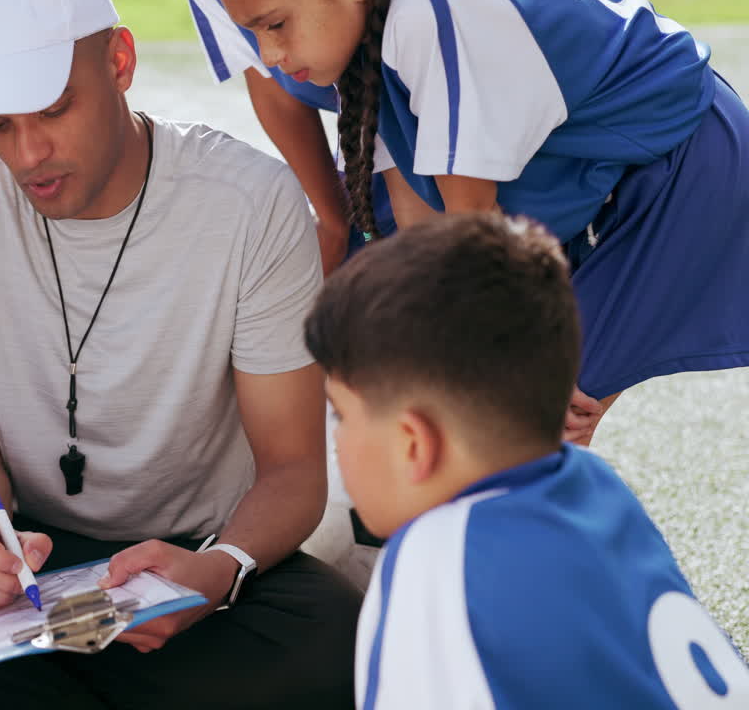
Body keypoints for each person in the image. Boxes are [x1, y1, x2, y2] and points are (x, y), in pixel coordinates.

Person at [0, 0, 363, 707]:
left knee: (334, 633)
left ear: (120, 60)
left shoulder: (251, 202)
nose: (29, 154)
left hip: (187, 561)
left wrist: (220, 570)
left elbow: (295, 470)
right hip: (30, 561)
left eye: (54, 111)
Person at [219, 0, 749, 445]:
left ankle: (518, 551)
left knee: (531, 411)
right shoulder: (370, 45)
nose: (269, 55)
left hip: (680, 164)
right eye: (256, 34)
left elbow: (472, 244)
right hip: (593, 159)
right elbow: (419, 226)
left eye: (277, 25)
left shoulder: (435, 15)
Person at [305, 211, 749, 708]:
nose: (338, 439)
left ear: (413, 443)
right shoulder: (597, 484)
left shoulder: (434, 557)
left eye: (341, 415)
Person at [185, 0, 395, 272]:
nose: (268, 56)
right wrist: (332, 221)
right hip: (369, 156)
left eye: (275, 25)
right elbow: (269, 84)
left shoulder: (420, 26)